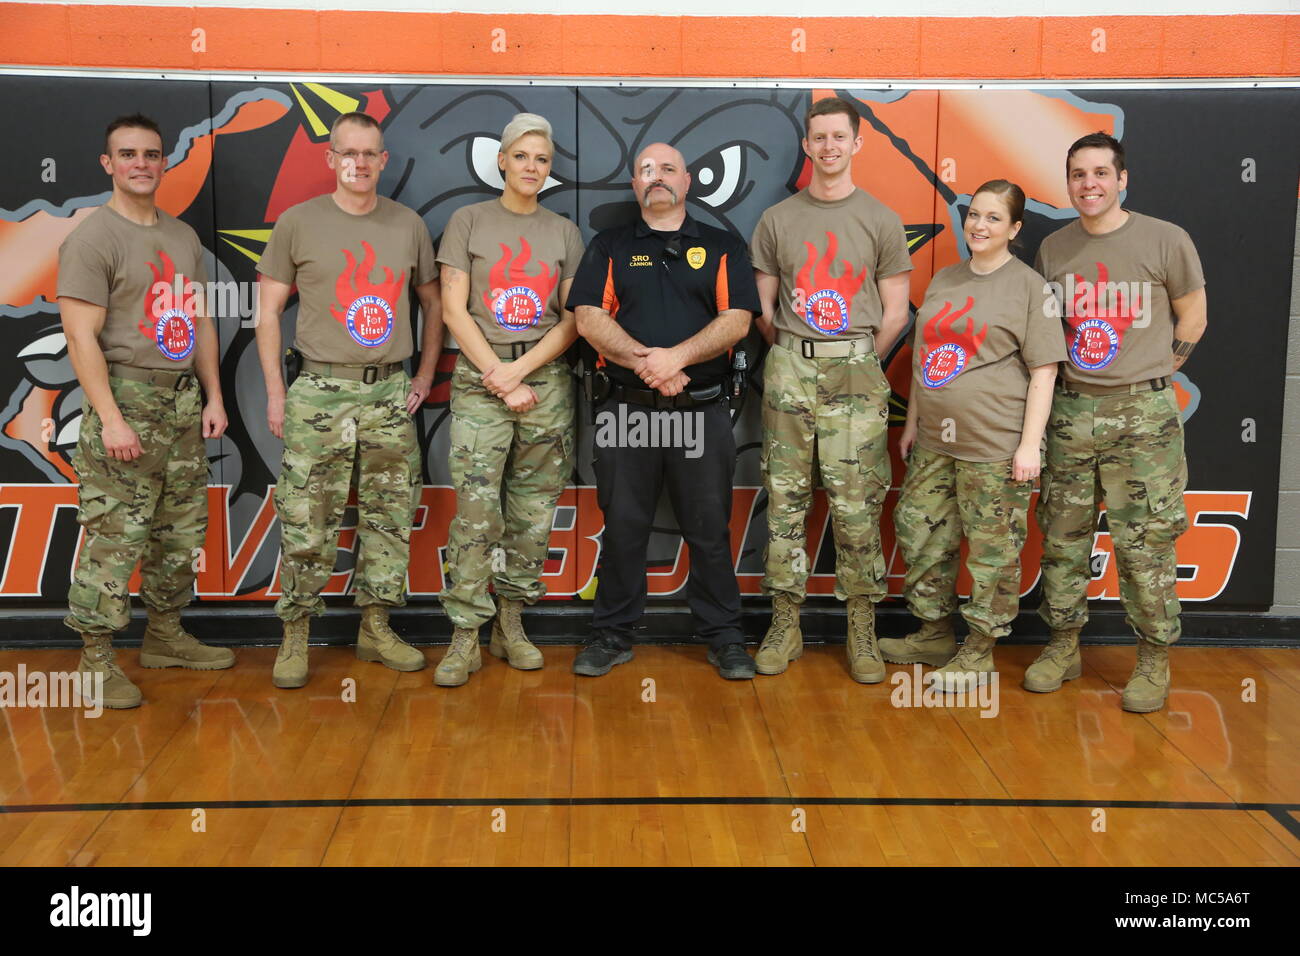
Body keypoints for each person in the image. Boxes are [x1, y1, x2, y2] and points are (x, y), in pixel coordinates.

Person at [256, 111, 442, 689]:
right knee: (308, 518)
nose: (359, 164)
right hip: (319, 390)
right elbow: (266, 314)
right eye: (348, 154)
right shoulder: (297, 223)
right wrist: (276, 393)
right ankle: (295, 633)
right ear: (330, 159)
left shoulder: (407, 224)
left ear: (384, 159)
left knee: (388, 518)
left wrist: (424, 375)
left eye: (370, 154)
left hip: (389, 389)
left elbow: (433, 305)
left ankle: (376, 627)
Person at [57, 113, 232, 709]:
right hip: (125, 399)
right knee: (115, 535)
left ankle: (163, 635)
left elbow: (199, 321)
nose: (141, 163)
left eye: (151, 154)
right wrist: (109, 418)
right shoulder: (92, 238)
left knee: (178, 533)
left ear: (164, 163)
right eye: (127, 154)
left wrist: (213, 395)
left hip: (181, 403)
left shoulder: (181, 236)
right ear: (108, 164)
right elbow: (81, 338)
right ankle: (96, 660)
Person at [566, 142, 760, 680]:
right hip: (626, 411)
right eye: (645, 171)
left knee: (708, 530)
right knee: (624, 527)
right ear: (634, 186)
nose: (656, 178)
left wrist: (676, 358)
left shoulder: (722, 247)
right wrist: (648, 364)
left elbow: (737, 319)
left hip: (701, 412)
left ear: (688, 181)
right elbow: (587, 317)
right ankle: (612, 634)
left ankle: (724, 637)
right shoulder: (609, 246)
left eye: (667, 169)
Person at [1030, 132, 1206, 713]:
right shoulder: (1054, 249)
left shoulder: (1164, 239)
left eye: (1101, 173)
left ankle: (1154, 660)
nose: (1089, 184)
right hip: (1072, 411)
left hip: (1144, 417)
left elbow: (1195, 314)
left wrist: (1157, 370)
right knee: (1062, 537)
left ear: (1122, 179)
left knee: (1145, 543)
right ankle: (1063, 646)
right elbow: (1046, 334)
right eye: (1078, 174)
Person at [749, 95, 913, 682]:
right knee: (787, 499)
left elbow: (896, 312)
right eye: (818, 137)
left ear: (857, 142)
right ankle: (785, 624)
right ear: (807, 145)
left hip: (856, 370)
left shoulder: (880, 219)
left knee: (857, 504)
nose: (828, 147)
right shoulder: (778, 220)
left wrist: (856, 355)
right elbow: (763, 309)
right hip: (790, 366)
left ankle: (861, 629)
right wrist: (798, 350)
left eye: (838, 137)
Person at [883, 180, 1065, 690]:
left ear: (1015, 228)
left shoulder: (1031, 288)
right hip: (937, 443)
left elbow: (1045, 371)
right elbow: (926, 359)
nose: (979, 226)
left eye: (993, 218)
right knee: (922, 534)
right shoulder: (944, 279)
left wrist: (1029, 445)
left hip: (995, 445)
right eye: (974, 216)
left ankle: (980, 649)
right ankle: (934, 632)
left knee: (992, 552)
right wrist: (915, 419)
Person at [433, 113, 584, 687]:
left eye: (541, 159)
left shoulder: (563, 231)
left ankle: (511, 623)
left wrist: (521, 371)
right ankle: (465, 633)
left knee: (531, 510)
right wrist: (498, 374)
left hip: (543, 379)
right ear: (501, 160)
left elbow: (573, 319)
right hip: (480, 378)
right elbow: (452, 308)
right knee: (476, 512)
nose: (531, 167)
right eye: (521, 156)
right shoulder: (468, 221)